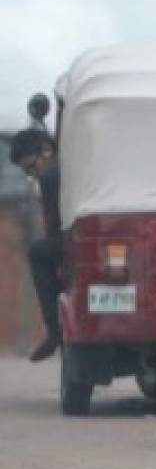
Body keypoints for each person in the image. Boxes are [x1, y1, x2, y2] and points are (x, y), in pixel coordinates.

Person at [8, 127, 63, 361]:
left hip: (79, 241)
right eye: (28, 173)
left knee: (38, 252)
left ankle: (54, 330)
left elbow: (52, 224)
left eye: (32, 166)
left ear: (47, 151)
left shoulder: (52, 176)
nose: (34, 174)